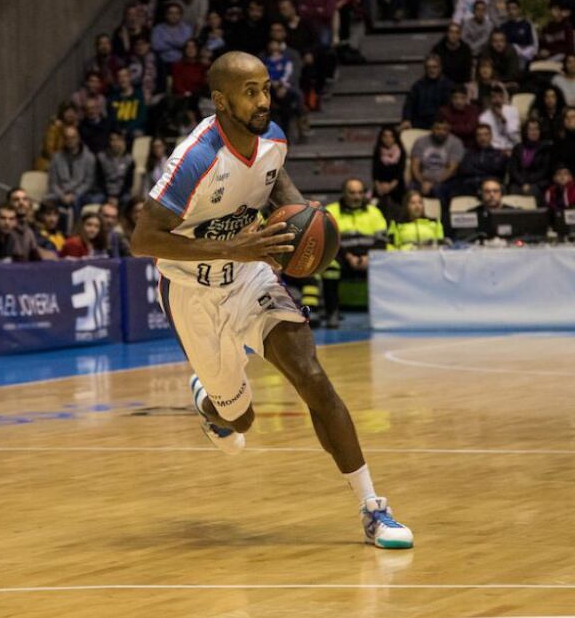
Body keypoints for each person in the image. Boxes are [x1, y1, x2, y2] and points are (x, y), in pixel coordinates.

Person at [130, 51, 412, 548]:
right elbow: (142, 239)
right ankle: (211, 403)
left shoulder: (274, 139)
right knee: (240, 422)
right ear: (221, 101)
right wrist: (232, 246)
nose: (264, 100)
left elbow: (279, 189)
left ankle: (373, 508)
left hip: (249, 278)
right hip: (191, 293)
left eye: (265, 88)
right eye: (250, 92)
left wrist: (300, 224)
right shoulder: (196, 157)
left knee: (313, 377)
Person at [323, 178, 388, 328]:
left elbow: (382, 239)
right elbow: (330, 239)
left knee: (389, 264)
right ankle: (332, 312)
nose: (357, 196)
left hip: (370, 257)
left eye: (360, 192)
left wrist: (369, 257)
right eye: (352, 193)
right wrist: (348, 256)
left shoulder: (374, 212)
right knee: (330, 268)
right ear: (344, 193)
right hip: (342, 256)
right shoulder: (331, 211)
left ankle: (385, 315)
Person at [48, 126, 99, 217]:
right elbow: (53, 183)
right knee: (47, 201)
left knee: (76, 201)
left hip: (80, 193)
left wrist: (74, 195)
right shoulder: (56, 158)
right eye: (67, 138)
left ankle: (75, 228)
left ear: (78, 138)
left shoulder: (89, 158)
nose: (70, 140)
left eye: (73, 137)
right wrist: (62, 196)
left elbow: (88, 182)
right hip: (61, 193)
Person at [410, 118, 464, 202]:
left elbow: (452, 169)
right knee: (411, 188)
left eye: (444, 129)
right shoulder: (420, 142)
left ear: (449, 130)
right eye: (438, 128)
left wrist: (433, 183)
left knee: (439, 189)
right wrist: (421, 182)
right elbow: (415, 166)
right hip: (423, 179)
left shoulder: (456, 143)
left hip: (445, 180)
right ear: (431, 129)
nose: (441, 132)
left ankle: (442, 215)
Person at [401, 55, 452, 130]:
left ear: (440, 68)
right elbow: (409, 104)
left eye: (435, 67)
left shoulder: (448, 85)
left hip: (440, 124)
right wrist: (406, 119)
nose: (431, 70)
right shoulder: (418, 86)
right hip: (419, 123)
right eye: (429, 67)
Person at [455, 123, 508, 195]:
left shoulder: (499, 154)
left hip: (491, 186)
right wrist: (486, 170)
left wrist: (476, 168)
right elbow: (464, 170)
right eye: (479, 135)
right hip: (470, 186)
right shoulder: (469, 153)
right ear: (476, 137)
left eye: (486, 134)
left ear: (491, 136)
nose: (482, 138)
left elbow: (497, 170)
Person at [508, 118, 552, 201]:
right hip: (519, 182)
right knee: (513, 191)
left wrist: (528, 182)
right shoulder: (518, 148)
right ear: (525, 131)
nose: (534, 132)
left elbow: (544, 170)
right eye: (530, 129)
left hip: (538, 182)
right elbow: (513, 169)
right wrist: (523, 182)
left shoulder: (546, 148)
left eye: (536, 129)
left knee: (532, 192)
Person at [371, 125, 406, 219]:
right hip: (380, 186)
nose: (388, 139)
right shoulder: (378, 151)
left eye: (391, 136)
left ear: (395, 138)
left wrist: (390, 186)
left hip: (397, 185)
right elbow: (375, 172)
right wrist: (378, 186)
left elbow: (400, 172)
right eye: (385, 136)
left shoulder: (401, 151)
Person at [478, 84, 520, 153]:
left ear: (503, 98)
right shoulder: (483, 118)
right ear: (489, 99)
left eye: (500, 97)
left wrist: (504, 120)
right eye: (494, 97)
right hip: (493, 152)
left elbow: (516, 139)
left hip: (512, 149)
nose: (497, 100)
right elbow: (485, 141)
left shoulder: (513, 111)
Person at [97, 131, 135, 206]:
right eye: (113, 140)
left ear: (123, 142)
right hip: (105, 192)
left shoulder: (130, 160)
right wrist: (109, 196)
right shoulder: (101, 158)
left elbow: (128, 184)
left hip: (121, 193)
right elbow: (99, 181)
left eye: (119, 140)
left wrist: (117, 197)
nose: (115, 143)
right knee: (95, 199)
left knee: (127, 199)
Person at [151, 2, 193, 66]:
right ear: (166, 15)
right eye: (171, 13)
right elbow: (156, 46)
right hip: (163, 62)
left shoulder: (187, 28)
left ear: (181, 15)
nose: (174, 16)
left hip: (183, 62)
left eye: (177, 13)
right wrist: (177, 45)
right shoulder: (158, 29)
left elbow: (186, 45)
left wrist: (167, 41)